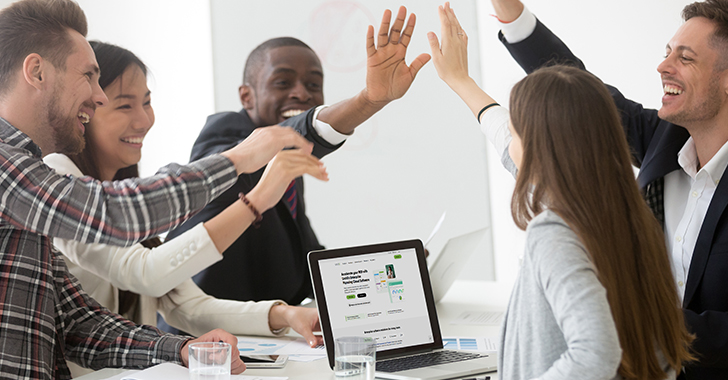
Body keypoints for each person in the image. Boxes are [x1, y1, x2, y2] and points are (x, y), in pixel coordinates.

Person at [0, 0, 314, 378]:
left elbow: (77, 322)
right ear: (36, 72)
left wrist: (180, 348)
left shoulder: (32, 181)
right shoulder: (10, 169)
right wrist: (237, 160)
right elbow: (114, 215)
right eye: (88, 76)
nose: (98, 97)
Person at [427, 3, 694, 379]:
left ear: (538, 146)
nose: (511, 142)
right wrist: (460, 81)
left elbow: (595, 353)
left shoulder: (555, 232)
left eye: (518, 130)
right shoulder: (634, 220)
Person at [487, 0, 728, 377]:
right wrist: (509, 12)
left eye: (685, 58)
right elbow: (578, 97)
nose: (663, 66)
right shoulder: (663, 141)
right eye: (667, 53)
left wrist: (648, 325)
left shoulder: (552, 234)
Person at [163, 6, 431, 318]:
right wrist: (368, 101)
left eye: (314, 84)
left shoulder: (291, 160)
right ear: (246, 97)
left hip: (271, 337)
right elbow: (275, 142)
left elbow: (310, 261)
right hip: (208, 341)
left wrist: (390, 270)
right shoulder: (223, 141)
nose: (302, 93)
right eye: (282, 82)